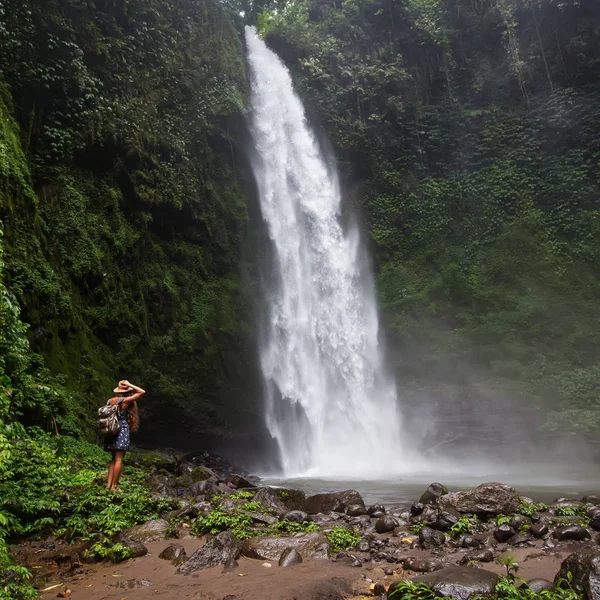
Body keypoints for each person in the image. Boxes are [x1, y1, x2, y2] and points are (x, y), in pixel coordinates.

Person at [104, 379, 145, 491]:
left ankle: (108, 485)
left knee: (113, 459)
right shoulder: (125, 401)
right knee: (119, 459)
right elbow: (142, 392)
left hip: (111, 430)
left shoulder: (110, 401)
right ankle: (114, 486)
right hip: (121, 429)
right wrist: (130, 384)